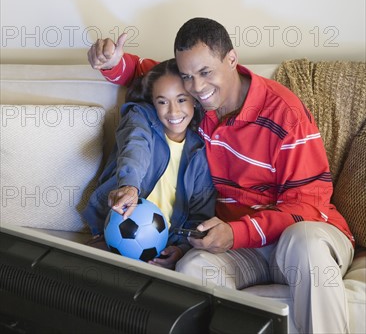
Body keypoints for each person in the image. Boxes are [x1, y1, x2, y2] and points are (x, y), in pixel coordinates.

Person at [88, 18, 355, 333]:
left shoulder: (286, 115)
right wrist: (114, 64)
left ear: (232, 60)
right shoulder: (197, 105)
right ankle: (303, 305)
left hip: (306, 239)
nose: (197, 86)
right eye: (188, 76)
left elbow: (310, 207)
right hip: (244, 251)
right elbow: (151, 76)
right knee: (192, 269)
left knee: (304, 241)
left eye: (205, 73)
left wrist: (237, 232)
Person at [83, 58, 216, 270]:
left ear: (195, 100)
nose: (173, 111)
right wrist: (129, 186)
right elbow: (134, 148)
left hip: (164, 245)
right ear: (152, 102)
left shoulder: (200, 151)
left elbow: (200, 211)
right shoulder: (140, 118)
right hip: (114, 230)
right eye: (162, 101)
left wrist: (181, 248)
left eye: (181, 100)